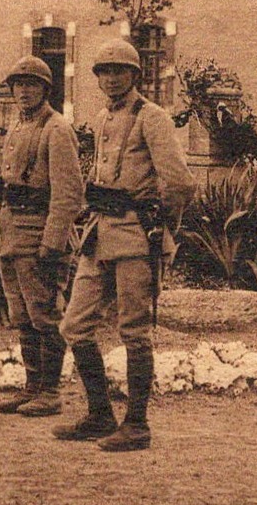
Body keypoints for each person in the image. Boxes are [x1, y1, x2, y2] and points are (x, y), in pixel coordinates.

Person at [53, 37, 193, 451]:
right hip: (99, 234)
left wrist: (160, 226)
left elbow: (181, 182)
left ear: (135, 75)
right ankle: (99, 414)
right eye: (104, 71)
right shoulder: (101, 120)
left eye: (120, 71)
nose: (112, 78)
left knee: (133, 331)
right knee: (75, 324)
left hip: (135, 236)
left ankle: (137, 424)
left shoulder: (152, 118)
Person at [0, 56, 83, 418]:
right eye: (18, 84)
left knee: (44, 312)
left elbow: (68, 192)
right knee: (20, 313)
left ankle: (51, 391)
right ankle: (31, 387)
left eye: (32, 84)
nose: (24, 91)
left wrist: (53, 242)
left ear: (46, 88)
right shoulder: (18, 125)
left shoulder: (56, 129)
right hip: (10, 233)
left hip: (39, 235)